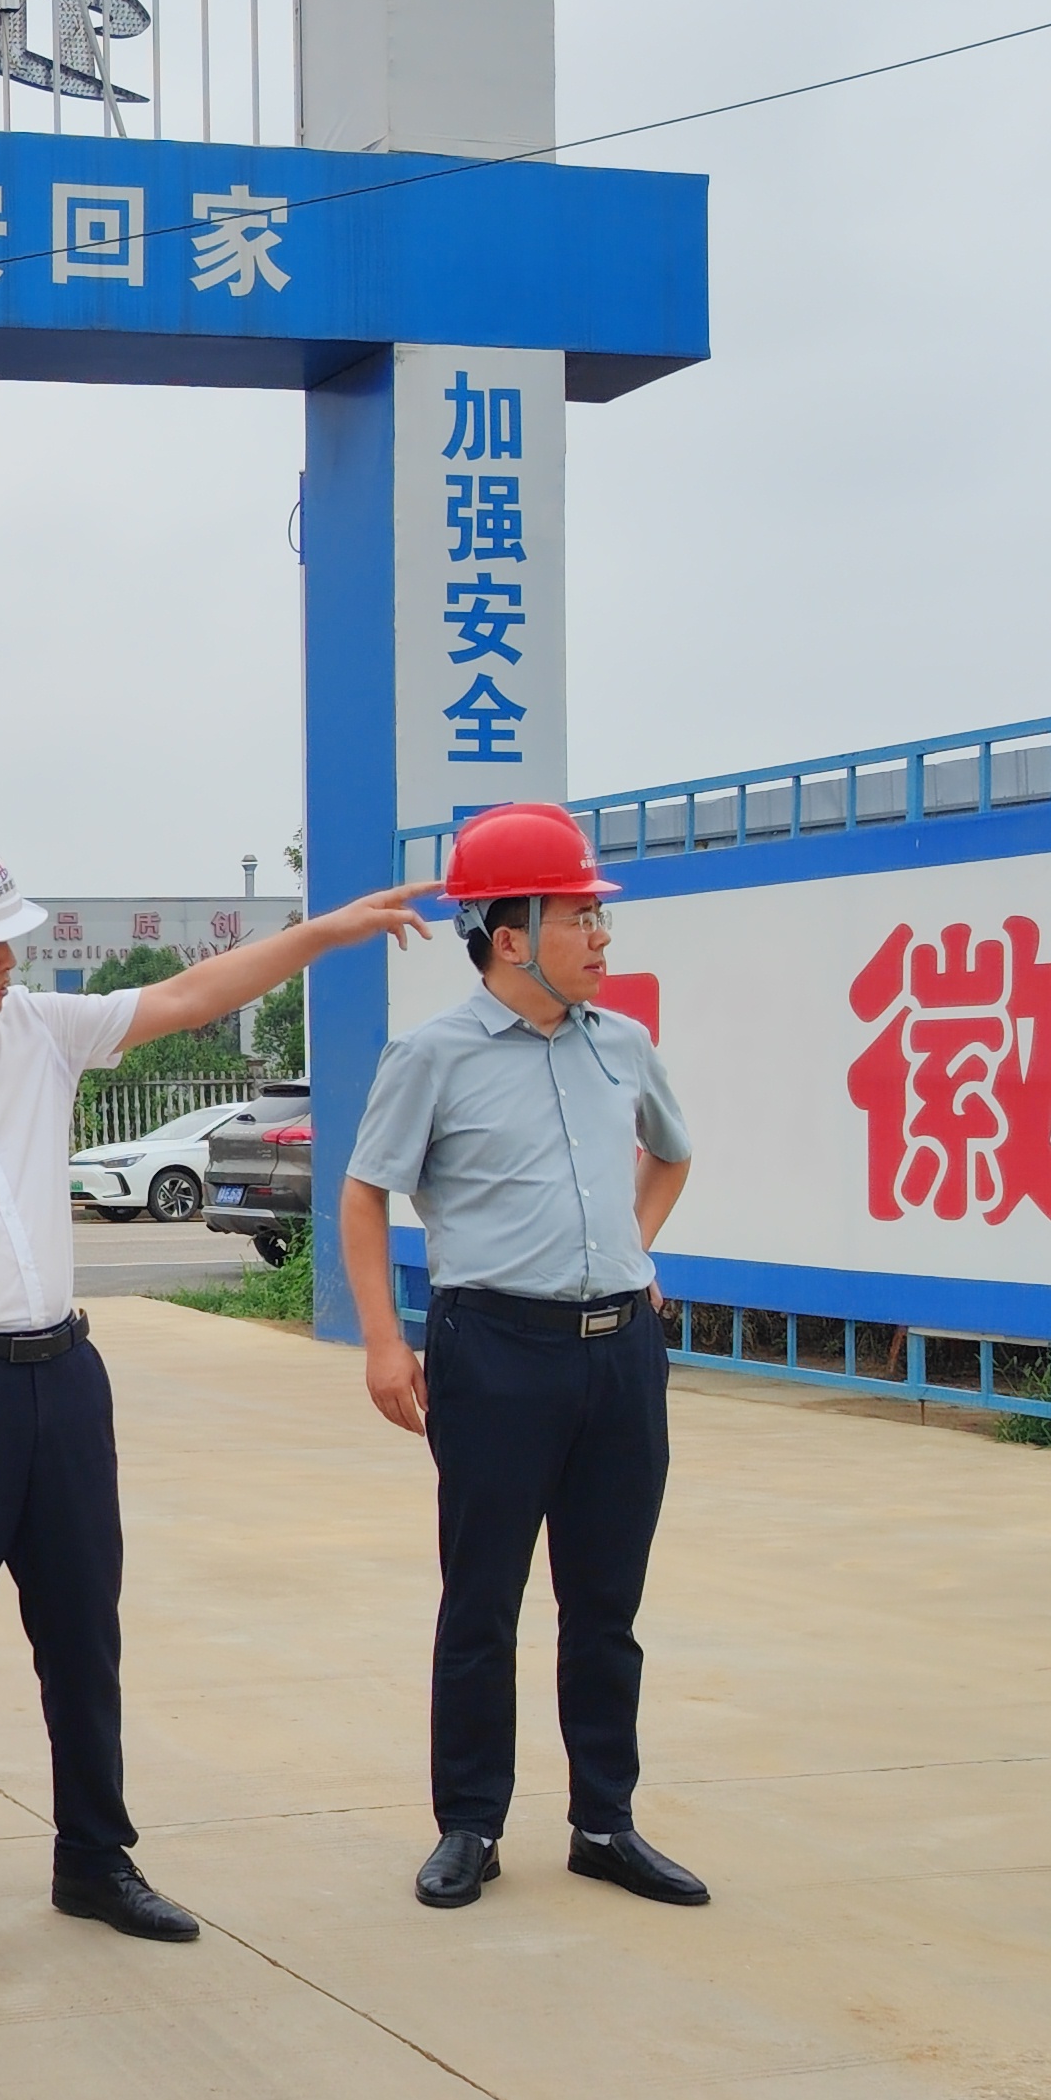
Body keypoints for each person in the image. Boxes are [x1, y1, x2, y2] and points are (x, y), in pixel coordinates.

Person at [0, 830, 431, 1991]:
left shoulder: (37, 1031)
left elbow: (188, 994)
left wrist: (326, 932)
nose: (10, 963)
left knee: (82, 1634)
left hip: (62, 1381)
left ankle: (93, 1857)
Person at [337, 800, 706, 1916]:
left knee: (605, 1606)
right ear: (509, 935)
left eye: (598, 915)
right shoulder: (433, 1056)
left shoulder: (621, 1044)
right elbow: (364, 1195)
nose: (601, 934)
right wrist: (384, 1342)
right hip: (494, 1351)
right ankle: (470, 1824)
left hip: (618, 1355)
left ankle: (605, 1823)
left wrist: (630, 1251)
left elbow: (671, 1155)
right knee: (482, 1600)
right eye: (579, 915)